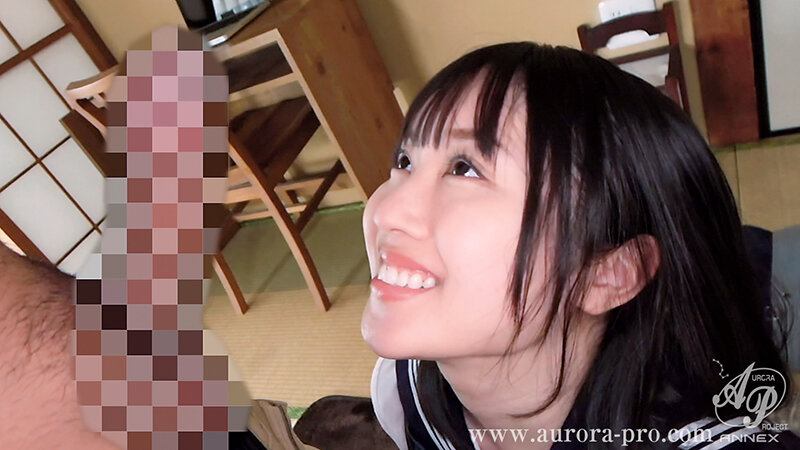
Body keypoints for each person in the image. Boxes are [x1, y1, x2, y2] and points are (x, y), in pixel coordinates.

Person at [361, 42, 800, 449]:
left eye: (465, 168)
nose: (385, 211)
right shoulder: (407, 388)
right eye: (405, 161)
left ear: (607, 274)